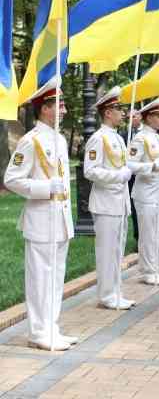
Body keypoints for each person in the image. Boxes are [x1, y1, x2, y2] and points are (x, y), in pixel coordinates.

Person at [4, 77, 78, 351]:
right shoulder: (30, 140)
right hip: (40, 219)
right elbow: (12, 179)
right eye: (59, 105)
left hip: (59, 220)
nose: (64, 110)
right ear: (44, 108)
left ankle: (51, 327)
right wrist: (45, 187)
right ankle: (38, 331)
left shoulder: (57, 138)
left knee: (56, 277)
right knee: (39, 279)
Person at [84, 86, 135, 310]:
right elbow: (90, 171)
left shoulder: (117, 138)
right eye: (118, 109)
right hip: (106, 204)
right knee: (107, 252)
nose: (122, 113)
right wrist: (118, 176)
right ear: (107, 112)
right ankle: (106, 295)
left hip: (119, 203)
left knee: (117, 251)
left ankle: (115, 292)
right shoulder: (98, 139)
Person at [127, 98, 159, 285]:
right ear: (149, 117)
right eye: (158, 116)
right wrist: (152, 166)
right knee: (147, 234)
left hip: (158, 192)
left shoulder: (157, 138)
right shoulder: (140, 138)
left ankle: (153, 269)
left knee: (156, 233)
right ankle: (147, 271)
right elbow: (129, 165)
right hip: (145, 194)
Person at [121, 109, 142, 246]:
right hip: (128, 177)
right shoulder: (123, 135)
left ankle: (143, 238)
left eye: (134, 116)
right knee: (132, 208)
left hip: (142, 176)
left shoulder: (147, 134)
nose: (131, 119)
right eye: (129, 117)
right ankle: (137, 237)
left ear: (140, 116)